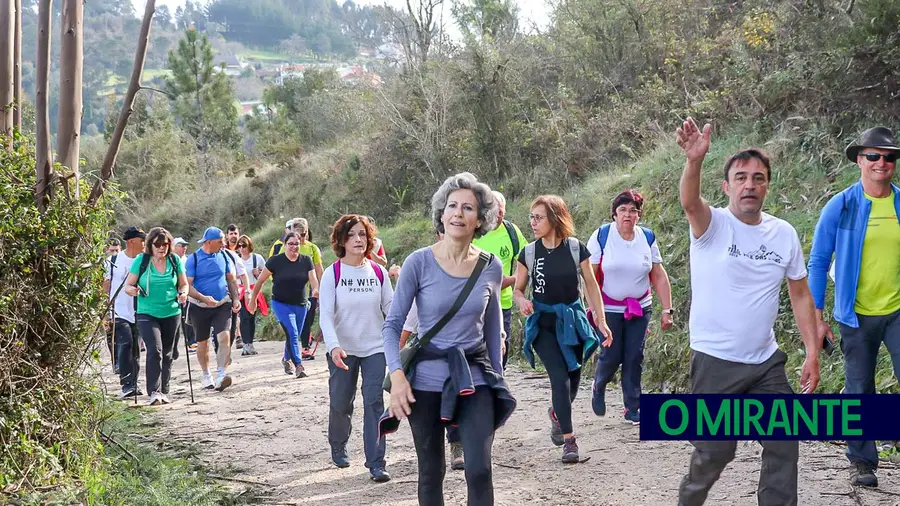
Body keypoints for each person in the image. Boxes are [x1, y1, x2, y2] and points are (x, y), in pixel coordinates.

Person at [675, 118, 820, 506]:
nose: (749, 185)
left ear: (768, 185)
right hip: (715, 361)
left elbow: (801, 294)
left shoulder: (783, 233)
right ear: (727, 187)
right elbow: (690, 202)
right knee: (715, 452)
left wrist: (811, 351)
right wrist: (694, 162)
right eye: (740, 177)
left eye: (758, 178)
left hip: (764, 363)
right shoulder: (712, 225)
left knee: (785, 438)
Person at [381, 172, 516, 506]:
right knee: (431, 471)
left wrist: (497, 379)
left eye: (468, 208)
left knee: (480, 470)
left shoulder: (491, 267)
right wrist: (397, 378)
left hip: (475, 377)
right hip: (423, 382)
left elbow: (492, 330)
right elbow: (392, 325)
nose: (458, 213)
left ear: (480, 219)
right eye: (452, 206)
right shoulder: (418, 263)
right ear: (441, 214)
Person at [807, 126, 900, 488]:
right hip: (855, 315)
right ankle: (862, 461)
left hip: (897, 311)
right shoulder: (842, 205)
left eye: (889, 157)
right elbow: (817, 261)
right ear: (860, 160)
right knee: (859, 387)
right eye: (874, 156)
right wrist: (817, 317)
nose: (882, 163)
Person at [513, 195, 612, 464]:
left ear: (555, 218)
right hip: (543, 323)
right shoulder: (529, 253)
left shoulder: (575, 248)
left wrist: (600, 320)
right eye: (531, 217)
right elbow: (518, 289)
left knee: (573, 378)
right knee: (559, 378)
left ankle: (558, 413)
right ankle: (569, 441)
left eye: (538, 217)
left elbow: (591, 286)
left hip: (573, 321)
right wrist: (522, 300)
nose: (532, 222)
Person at [587, 189, 673, 425]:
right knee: (612, 355)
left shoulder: (647, 237)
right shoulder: (602, 236)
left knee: (634, 356)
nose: (627, 215)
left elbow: (658, 274)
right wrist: (594, 310)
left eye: (633, 211)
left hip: (640, 307)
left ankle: (632, 407)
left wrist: (668, 309)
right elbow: (589, 276)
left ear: (639, 214)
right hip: (608, 309)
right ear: (614, 214)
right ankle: (599, 385)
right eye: (622, 210)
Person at [319, 215, 393, 482]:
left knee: (374, 402)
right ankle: (338, 443)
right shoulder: (333, 273)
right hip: (343, 350)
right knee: (341, 402)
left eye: (362, 234)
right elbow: (325, 315)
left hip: (375, 347)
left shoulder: (377, 272)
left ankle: (376, 462)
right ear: (341, 240)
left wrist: (397, 337)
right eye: (351, 235)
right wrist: (334, 346)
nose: (358, 240)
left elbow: (390, 308)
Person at [123, 227, 188, 406]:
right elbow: (128, 285)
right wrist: (133, 291)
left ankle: (164, 390)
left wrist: (183, 293)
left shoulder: (174, 260)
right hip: (147, 313)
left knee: (167, 353)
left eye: (165, 244)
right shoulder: (142, 261)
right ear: (150, 245)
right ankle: (154, 391)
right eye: (158, 244)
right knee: (155, 350)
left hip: (171, 311)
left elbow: (183, 284)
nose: (162, 248)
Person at [247, 232, 320, 378]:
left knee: (294, 334)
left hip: (301, 304)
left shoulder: (306, 260)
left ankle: (286, 359)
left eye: (297, 244)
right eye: (291, 244)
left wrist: (316, 290)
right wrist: (253, 299)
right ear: (285, 245)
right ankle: (299, 365)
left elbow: (313, 279)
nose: (294, 247)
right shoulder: (275, 261)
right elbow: (260, 281)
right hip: (280, 303)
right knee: (292, 333)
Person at [185, 226, 242, 392]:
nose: (224, 243)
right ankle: (206, 375)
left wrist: (236, 298)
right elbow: (188, 285)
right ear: (209, 242)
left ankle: (222, 374)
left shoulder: (224, 255)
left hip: (222, 303)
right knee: (203, 343)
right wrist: (203, 298)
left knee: (224, 336)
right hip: (199, 306)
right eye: (220, 241)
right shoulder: (193, 259)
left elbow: (231, 279)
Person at [103, 227, 145, 399]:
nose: (144, 245)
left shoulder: (145, 261)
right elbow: (106, 286)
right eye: (142, 242)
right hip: (119, 311)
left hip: (140, 310)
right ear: (132, 242)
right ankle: (127, 383)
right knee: (125, 343)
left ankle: (134, 382)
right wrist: (105, 311)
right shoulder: (113, 261)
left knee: (135, 347)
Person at [292, 219, 325, 359]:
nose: (302, 239)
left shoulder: (312, 248)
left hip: (311, 288)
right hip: (293, 288)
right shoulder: (287, 246)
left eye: (304, 234)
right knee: (297, 318)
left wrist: (323, 287)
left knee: (308, 316)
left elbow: (319, 269)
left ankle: (305, 346)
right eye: (299, 235)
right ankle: (297, 344)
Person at [237, 234, 266, 356]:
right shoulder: (236, 259)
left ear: (249, 246)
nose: (242, 248)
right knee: (244, 317)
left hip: (254, 290)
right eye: (239, 246)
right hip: (241, 291)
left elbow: (266, 275)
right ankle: (246, 344)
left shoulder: (257, 258)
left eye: (244, 245)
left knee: (251, 317)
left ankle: (250, 343)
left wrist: (257, 274)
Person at [173, 237, 196, 353]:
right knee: (175, 321)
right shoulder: (171, 261)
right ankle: (174, 346)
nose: (184, 248)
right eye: (181, 246)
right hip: (173, 295)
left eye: (185, 246)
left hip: (187, 293)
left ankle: (191, 342)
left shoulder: (188, 260)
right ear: (174, 247)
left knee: (188, 318)